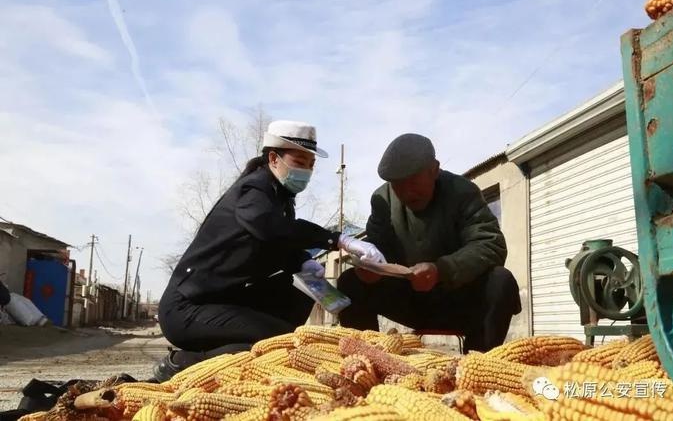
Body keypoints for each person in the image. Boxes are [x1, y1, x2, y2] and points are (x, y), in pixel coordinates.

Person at [153, 120, 385, 382]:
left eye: (311, 165)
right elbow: (271, 230)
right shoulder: (253, 191)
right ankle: (183, 362)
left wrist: (304, 263)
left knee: (300, 290)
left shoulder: (279, 199)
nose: (307, 171)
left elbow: (276, 244)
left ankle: (259, 352)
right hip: (188, 308)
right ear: (274, 158)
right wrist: (337, 240)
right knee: (274, 341)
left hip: (226, 300)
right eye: (299, 161)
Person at [337, 133, 521, 352]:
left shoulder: (462, 192)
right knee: (350, 282)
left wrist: (441, 270)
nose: (406, 192)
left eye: (413, 181)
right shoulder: (383, 199)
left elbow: (491, 244)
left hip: (458, 299)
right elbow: (375, 246)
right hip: (409, 300)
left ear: (434, 169)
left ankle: (478, 366)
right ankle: (366, 360)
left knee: (501, 281)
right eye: (397, 185)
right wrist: (368, 266)